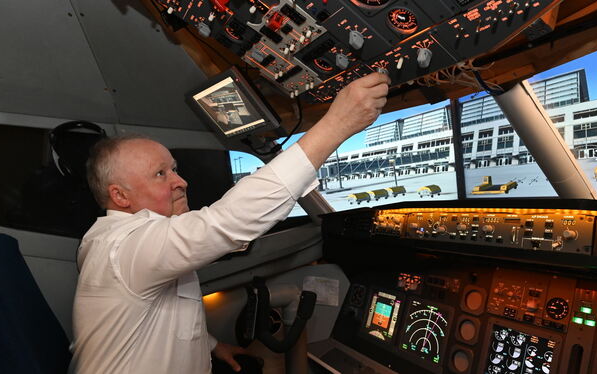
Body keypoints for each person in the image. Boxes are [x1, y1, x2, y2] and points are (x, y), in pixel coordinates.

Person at [70, 72, 390, 373]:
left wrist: (211, 345)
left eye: (175, 169)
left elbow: (153, 315)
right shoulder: (123, 247)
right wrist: (337, 124)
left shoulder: (121, 245)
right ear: (120, 196)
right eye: (160, 174)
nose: (181, 181)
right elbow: (230, 220)